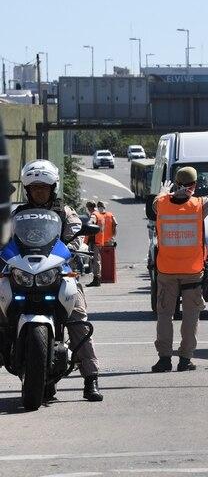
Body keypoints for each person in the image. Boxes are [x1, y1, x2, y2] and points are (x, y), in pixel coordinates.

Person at [13, 160, 103, 401]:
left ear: (53, 188)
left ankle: (91, 379)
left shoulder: (65, 212)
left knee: (78, 318)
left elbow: (76, 234)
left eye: (43, 187)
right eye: (34, 188)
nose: (39, 192)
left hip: (57, 272)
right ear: (27, 190)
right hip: (24, 272)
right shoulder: (17, 215)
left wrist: (75, 247)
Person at [151, 161, 208, 373]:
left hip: (166, 272)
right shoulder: (200, 205)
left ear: (176, 184)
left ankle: (164, 359)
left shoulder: (160, 204)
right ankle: (185, 359)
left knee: (165, 315)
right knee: (191, 316)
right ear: (194, 186)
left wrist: (163, 191)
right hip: (192, 272)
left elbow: (157, 201)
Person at [84, 201, 103, 286]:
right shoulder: (100, 214)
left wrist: (86, 226)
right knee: (97, 259)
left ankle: (96, 279)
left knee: (95, 260)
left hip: (95, 240)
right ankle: (97, 278)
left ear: (89, 208)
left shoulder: (94, 215)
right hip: (99, 239)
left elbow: (91, 222)